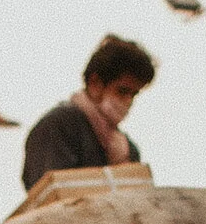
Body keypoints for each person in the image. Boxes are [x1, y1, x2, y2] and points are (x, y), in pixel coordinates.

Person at [21, 35, 156, 190]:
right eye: (122, 91)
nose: (128, 101)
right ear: (95, 83)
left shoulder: (126, 149)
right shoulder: (58, 126)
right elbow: (50, 196)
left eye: (134, 94)